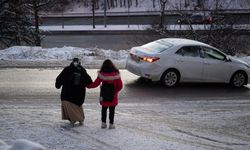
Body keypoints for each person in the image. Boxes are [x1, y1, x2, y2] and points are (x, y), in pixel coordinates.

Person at [55, 58, 92, 126]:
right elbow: (89, 81)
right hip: (79, 95)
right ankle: (80, 119)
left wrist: (58, 85)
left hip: (67, 93)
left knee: (69, 105)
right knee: (77, 106)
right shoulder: (82, 71)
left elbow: (59, 78)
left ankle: (73, 119)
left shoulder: (67, 69)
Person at [87, 59, 123, 129]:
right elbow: (120, 86)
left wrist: (88, 86)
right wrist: (115, 91)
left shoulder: (102, 75)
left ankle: (103, 123)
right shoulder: (116, 75)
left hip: (104, 95)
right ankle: (111, 124)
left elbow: (95, 84)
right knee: (112, 110)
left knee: (104, 109)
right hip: (113, 96)